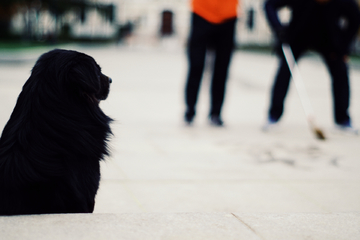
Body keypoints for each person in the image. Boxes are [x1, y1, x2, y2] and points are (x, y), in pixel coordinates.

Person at [263, 0, 360, 133]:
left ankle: (343, 119)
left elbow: (355, 18)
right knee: (284, 70)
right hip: (298, 35)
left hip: (329, 39)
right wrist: (278, 28)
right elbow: (270, 5)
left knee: (340, 71)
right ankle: (273, 116)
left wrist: (344, 46)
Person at [184, 0, 239, 126]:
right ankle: (190, 110)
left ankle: (216, 112)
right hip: (201, 12)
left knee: (222, 68)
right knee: (196, 66)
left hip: (228, 15)